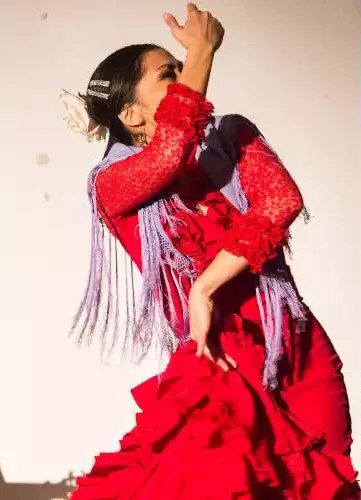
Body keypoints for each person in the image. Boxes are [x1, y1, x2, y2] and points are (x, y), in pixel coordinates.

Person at [61, 4, 359, 499]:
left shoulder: (234, 135)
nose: (187, 79)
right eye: (169, 74)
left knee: (323, 486)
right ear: (131, 114)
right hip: (217, 358)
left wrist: (205, 284)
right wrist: (200, 50)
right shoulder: (112, 185)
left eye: (185, 69)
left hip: (296, 348)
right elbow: (169, 150)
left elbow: (281, 202)